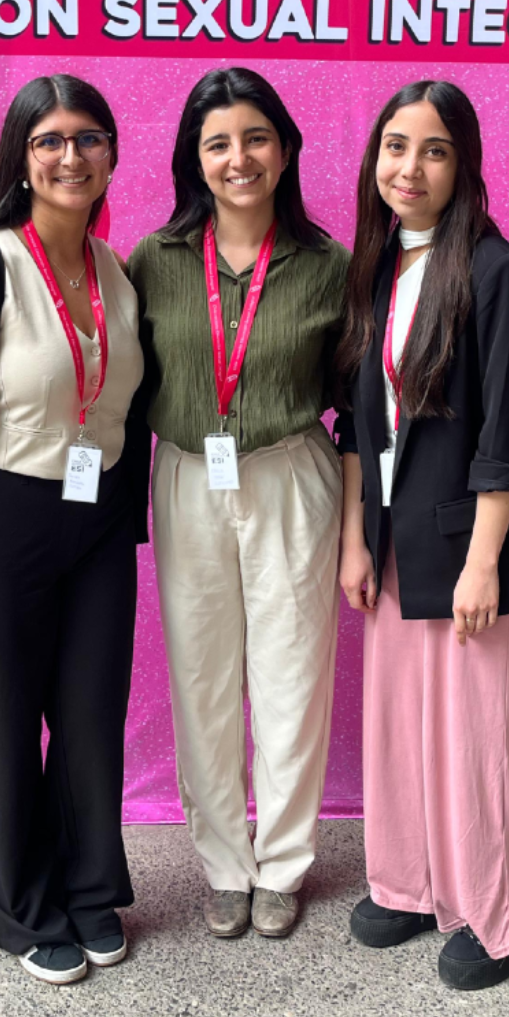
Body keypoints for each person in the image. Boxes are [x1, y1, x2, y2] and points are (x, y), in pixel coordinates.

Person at [0, 74, 148, 986]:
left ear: (111, 154)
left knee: (90, 718)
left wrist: (125, 526)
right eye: (48, 139)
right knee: (6, 724)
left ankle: (89, 885)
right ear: (20, 155)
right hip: (4, 525)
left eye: (89, 138)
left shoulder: (117, 272)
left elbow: (125, 411)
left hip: (97, 531)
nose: (70, 155)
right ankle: (19, 903)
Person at [335, 79, 509, 990]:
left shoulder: (501, 272)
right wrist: (354, 538)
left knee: (479, 738)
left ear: (463, 164)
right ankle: (411, 883)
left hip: (472, 550)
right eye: (394, 146)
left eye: (432, 149)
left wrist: (482, 563)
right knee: (399, 728)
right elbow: (356, 420)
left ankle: (507, 919)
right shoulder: (377, 268)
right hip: (391, 538)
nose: (409, 167)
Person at [128, 67, 350, 941]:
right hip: (186, 474)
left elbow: (358, 396)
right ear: (194, 156)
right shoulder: (154, 258)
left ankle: (285, 861)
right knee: (202, 678)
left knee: (292, 676)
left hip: (293, 473)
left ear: (286, 148)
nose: (238, 157)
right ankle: (225, 863)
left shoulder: (331, 265)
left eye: (256, 137)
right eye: (217, 142)